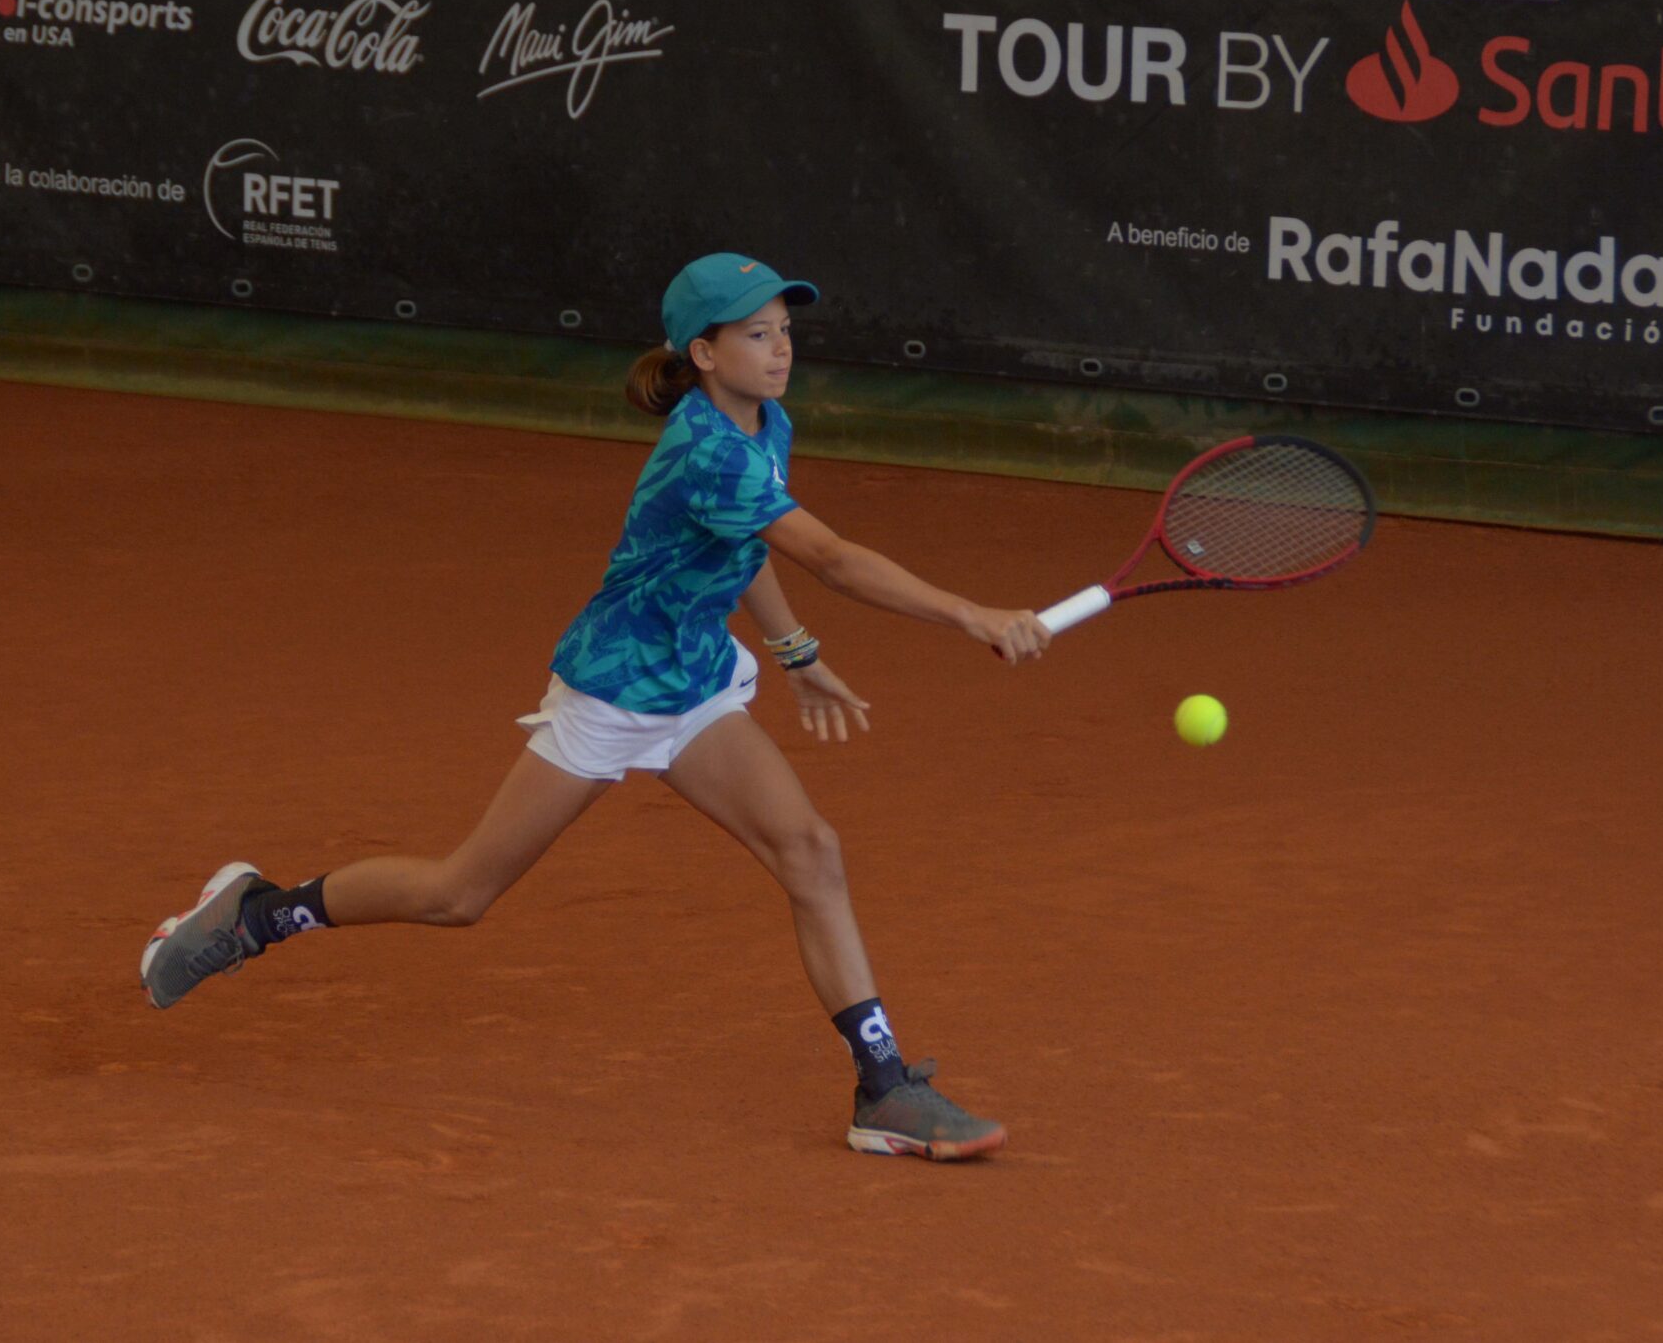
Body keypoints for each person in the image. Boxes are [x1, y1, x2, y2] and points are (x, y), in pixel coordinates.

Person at [140, 253, 1051, 1159]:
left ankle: (883, 1087)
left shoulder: (765, 421)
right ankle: (256, 914)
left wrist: (794, 650)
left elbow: (747, 548)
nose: (781, 349)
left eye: (785, 330)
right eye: (757, 334)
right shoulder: (707, 448)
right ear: (704, 353)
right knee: (459, 894)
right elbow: (833, 556)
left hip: (694, 680)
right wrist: (971, 614)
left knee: (811, 850)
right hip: (614, 687)